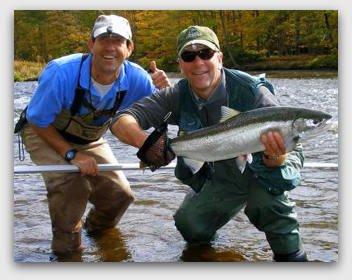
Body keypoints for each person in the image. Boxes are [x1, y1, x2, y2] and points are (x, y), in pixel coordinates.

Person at [111, 25, 308, 262]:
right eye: (189, 56)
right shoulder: (176, 95)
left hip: (262, 174)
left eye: (205, 53)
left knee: (270, 208)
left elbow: (295, 154)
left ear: (220, 58)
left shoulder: (252, 90)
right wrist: (148, 142)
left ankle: (293, 259)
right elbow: (121, 120)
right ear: (180, 64)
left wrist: (277, 158)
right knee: (189, 225)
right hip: (221, 177)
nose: (198, 62)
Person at [18, 14, 170, 255]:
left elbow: (163, 116)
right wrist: (71, 155)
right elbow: (38, 121)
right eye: (103, 39)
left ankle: (98, 236)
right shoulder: (61, 72)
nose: (110, 47)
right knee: (73, 185)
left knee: (121, 195)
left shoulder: (138, 79)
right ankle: (67, 250)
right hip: (43, 131)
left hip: (90, 138)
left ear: (129, 48)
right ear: (91, 44)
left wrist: (166, 91)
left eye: (118, 41)